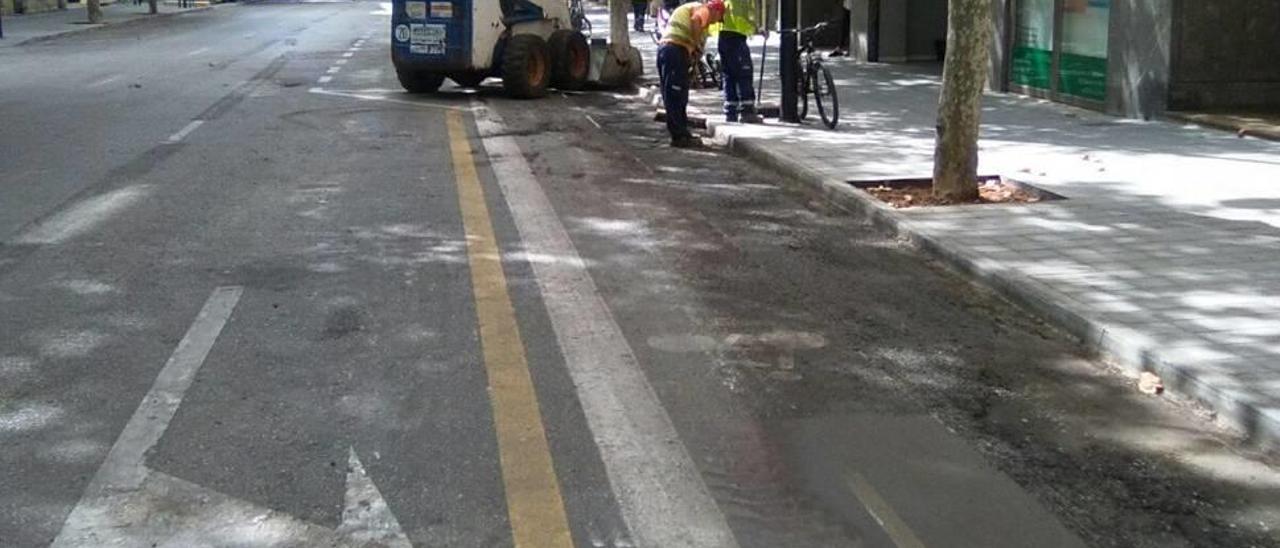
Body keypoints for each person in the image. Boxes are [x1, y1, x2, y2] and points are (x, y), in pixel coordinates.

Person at [657, 0, 726, 148]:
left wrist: (694, 58)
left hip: (670, 51)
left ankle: (681, 132)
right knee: (676, 94)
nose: (716, 22)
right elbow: (695, 21)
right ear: (716, 10)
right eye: (719, 18)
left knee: (675, 94)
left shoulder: (699, 14)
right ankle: (679, 135)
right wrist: (694, 46)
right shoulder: (704, 10)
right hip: (674, 49)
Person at [715, 0, 762, 123]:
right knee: (744, 73)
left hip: (725, 37)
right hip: (735, 38)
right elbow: (740, 18)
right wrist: (755, 29)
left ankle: (731, 112)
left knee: (729, 75)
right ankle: (747, 112)